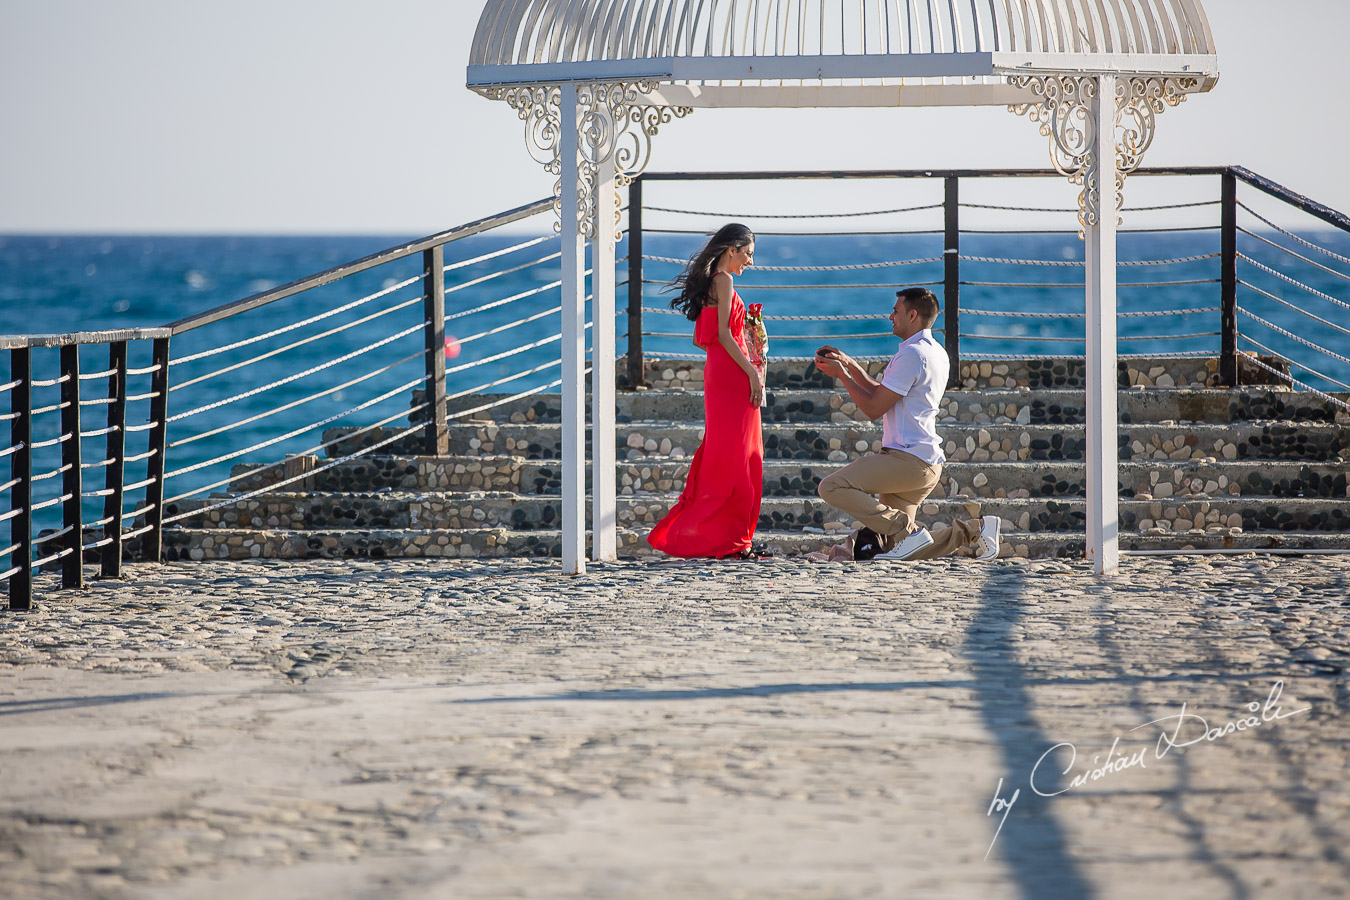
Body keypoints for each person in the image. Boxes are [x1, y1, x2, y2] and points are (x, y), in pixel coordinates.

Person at [812, 288, 1001, 562]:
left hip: (908, 461)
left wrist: (842, 376)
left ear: (912, 315)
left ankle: (906, 530)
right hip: (924, 464)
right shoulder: (934, 352)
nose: (891, 316)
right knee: (901, 548)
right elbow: (883, 392)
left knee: (831, 486)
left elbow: (874, 408)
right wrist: (850, 365)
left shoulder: (912, 354)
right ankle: (976, 529)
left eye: (896, 311)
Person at [647, 224, 766, 560]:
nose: (750, 262)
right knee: (740, 457)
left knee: (727, 453)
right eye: (748, 254)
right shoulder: (724, 281)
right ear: (733, 249)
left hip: (719, 373)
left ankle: (725, 538)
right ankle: (731, 539)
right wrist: (752, 374)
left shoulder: (711, 282)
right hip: (733, 376)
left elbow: (703, 340)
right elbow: (726, 336)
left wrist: (746, 342)